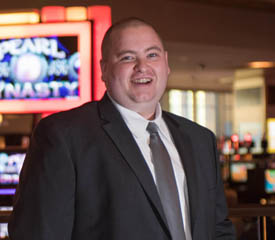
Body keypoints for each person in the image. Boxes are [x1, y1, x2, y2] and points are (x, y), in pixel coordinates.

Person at [8, 18, 236, 240]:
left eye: (152, 55)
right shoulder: (63, 136)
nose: (142, 67)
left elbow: (218, 229)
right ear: (104, 69)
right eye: (127, 58)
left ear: (166, 64)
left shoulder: (200, 139)